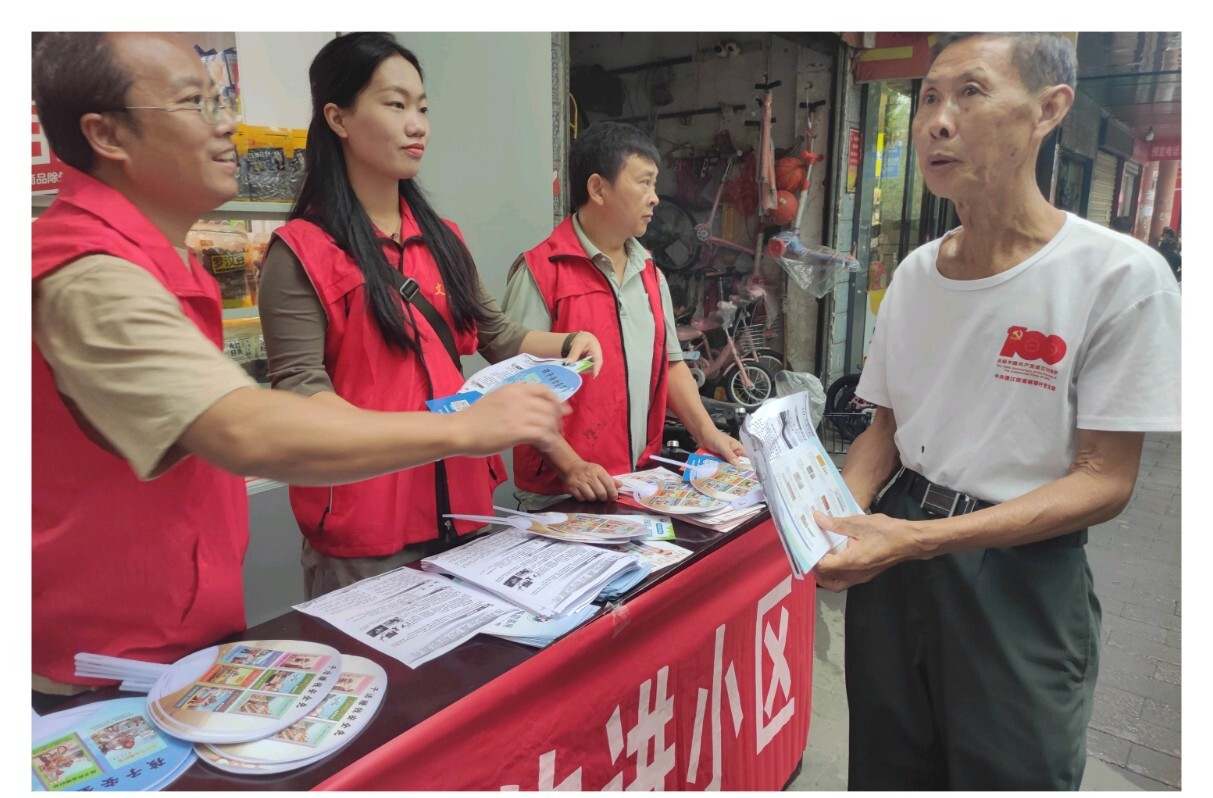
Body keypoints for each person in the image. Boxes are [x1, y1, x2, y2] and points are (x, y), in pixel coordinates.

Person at [31, 32, 566, 696]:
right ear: (106, 135)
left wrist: (556, 359)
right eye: (195, 103)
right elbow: (246, 429)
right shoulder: (90, 272)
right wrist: (467, 427)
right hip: (114, 667)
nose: (227, 123)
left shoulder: (166, 260)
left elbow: (494, 334)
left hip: (195, 635)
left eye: (422, 107)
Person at [810, 33, 1180, 789]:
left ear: (1049, 109)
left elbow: (1104, 480)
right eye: (928, 98)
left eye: (970, 93)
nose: (937, 121)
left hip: (1018, 572)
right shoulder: (915, 275)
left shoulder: (1117, 276)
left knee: (1013, 771)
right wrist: (838, 521)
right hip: (899, 543)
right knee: (886, 766)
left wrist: (914, 543)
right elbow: (884, 430)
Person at [257, 33, 603, 600]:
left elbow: (496, 335)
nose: (416, 124)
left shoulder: (443, 240)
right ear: (338, 118)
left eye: (421, 107)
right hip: (366, 530)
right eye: (395, 105)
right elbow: (300, 392)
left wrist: (567, 343)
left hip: (466, 512)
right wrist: (448, 428)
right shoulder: (300, 253)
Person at [502, 122, 746, 510]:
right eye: (644, 183)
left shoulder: (649, 272)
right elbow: (513, 387)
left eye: (655, 185)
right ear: (598, 188)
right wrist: (571, 466)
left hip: (636, 484)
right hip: (562, 494)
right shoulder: (542, 271)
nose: (654, 199)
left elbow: (670, 364)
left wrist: (708, 433)